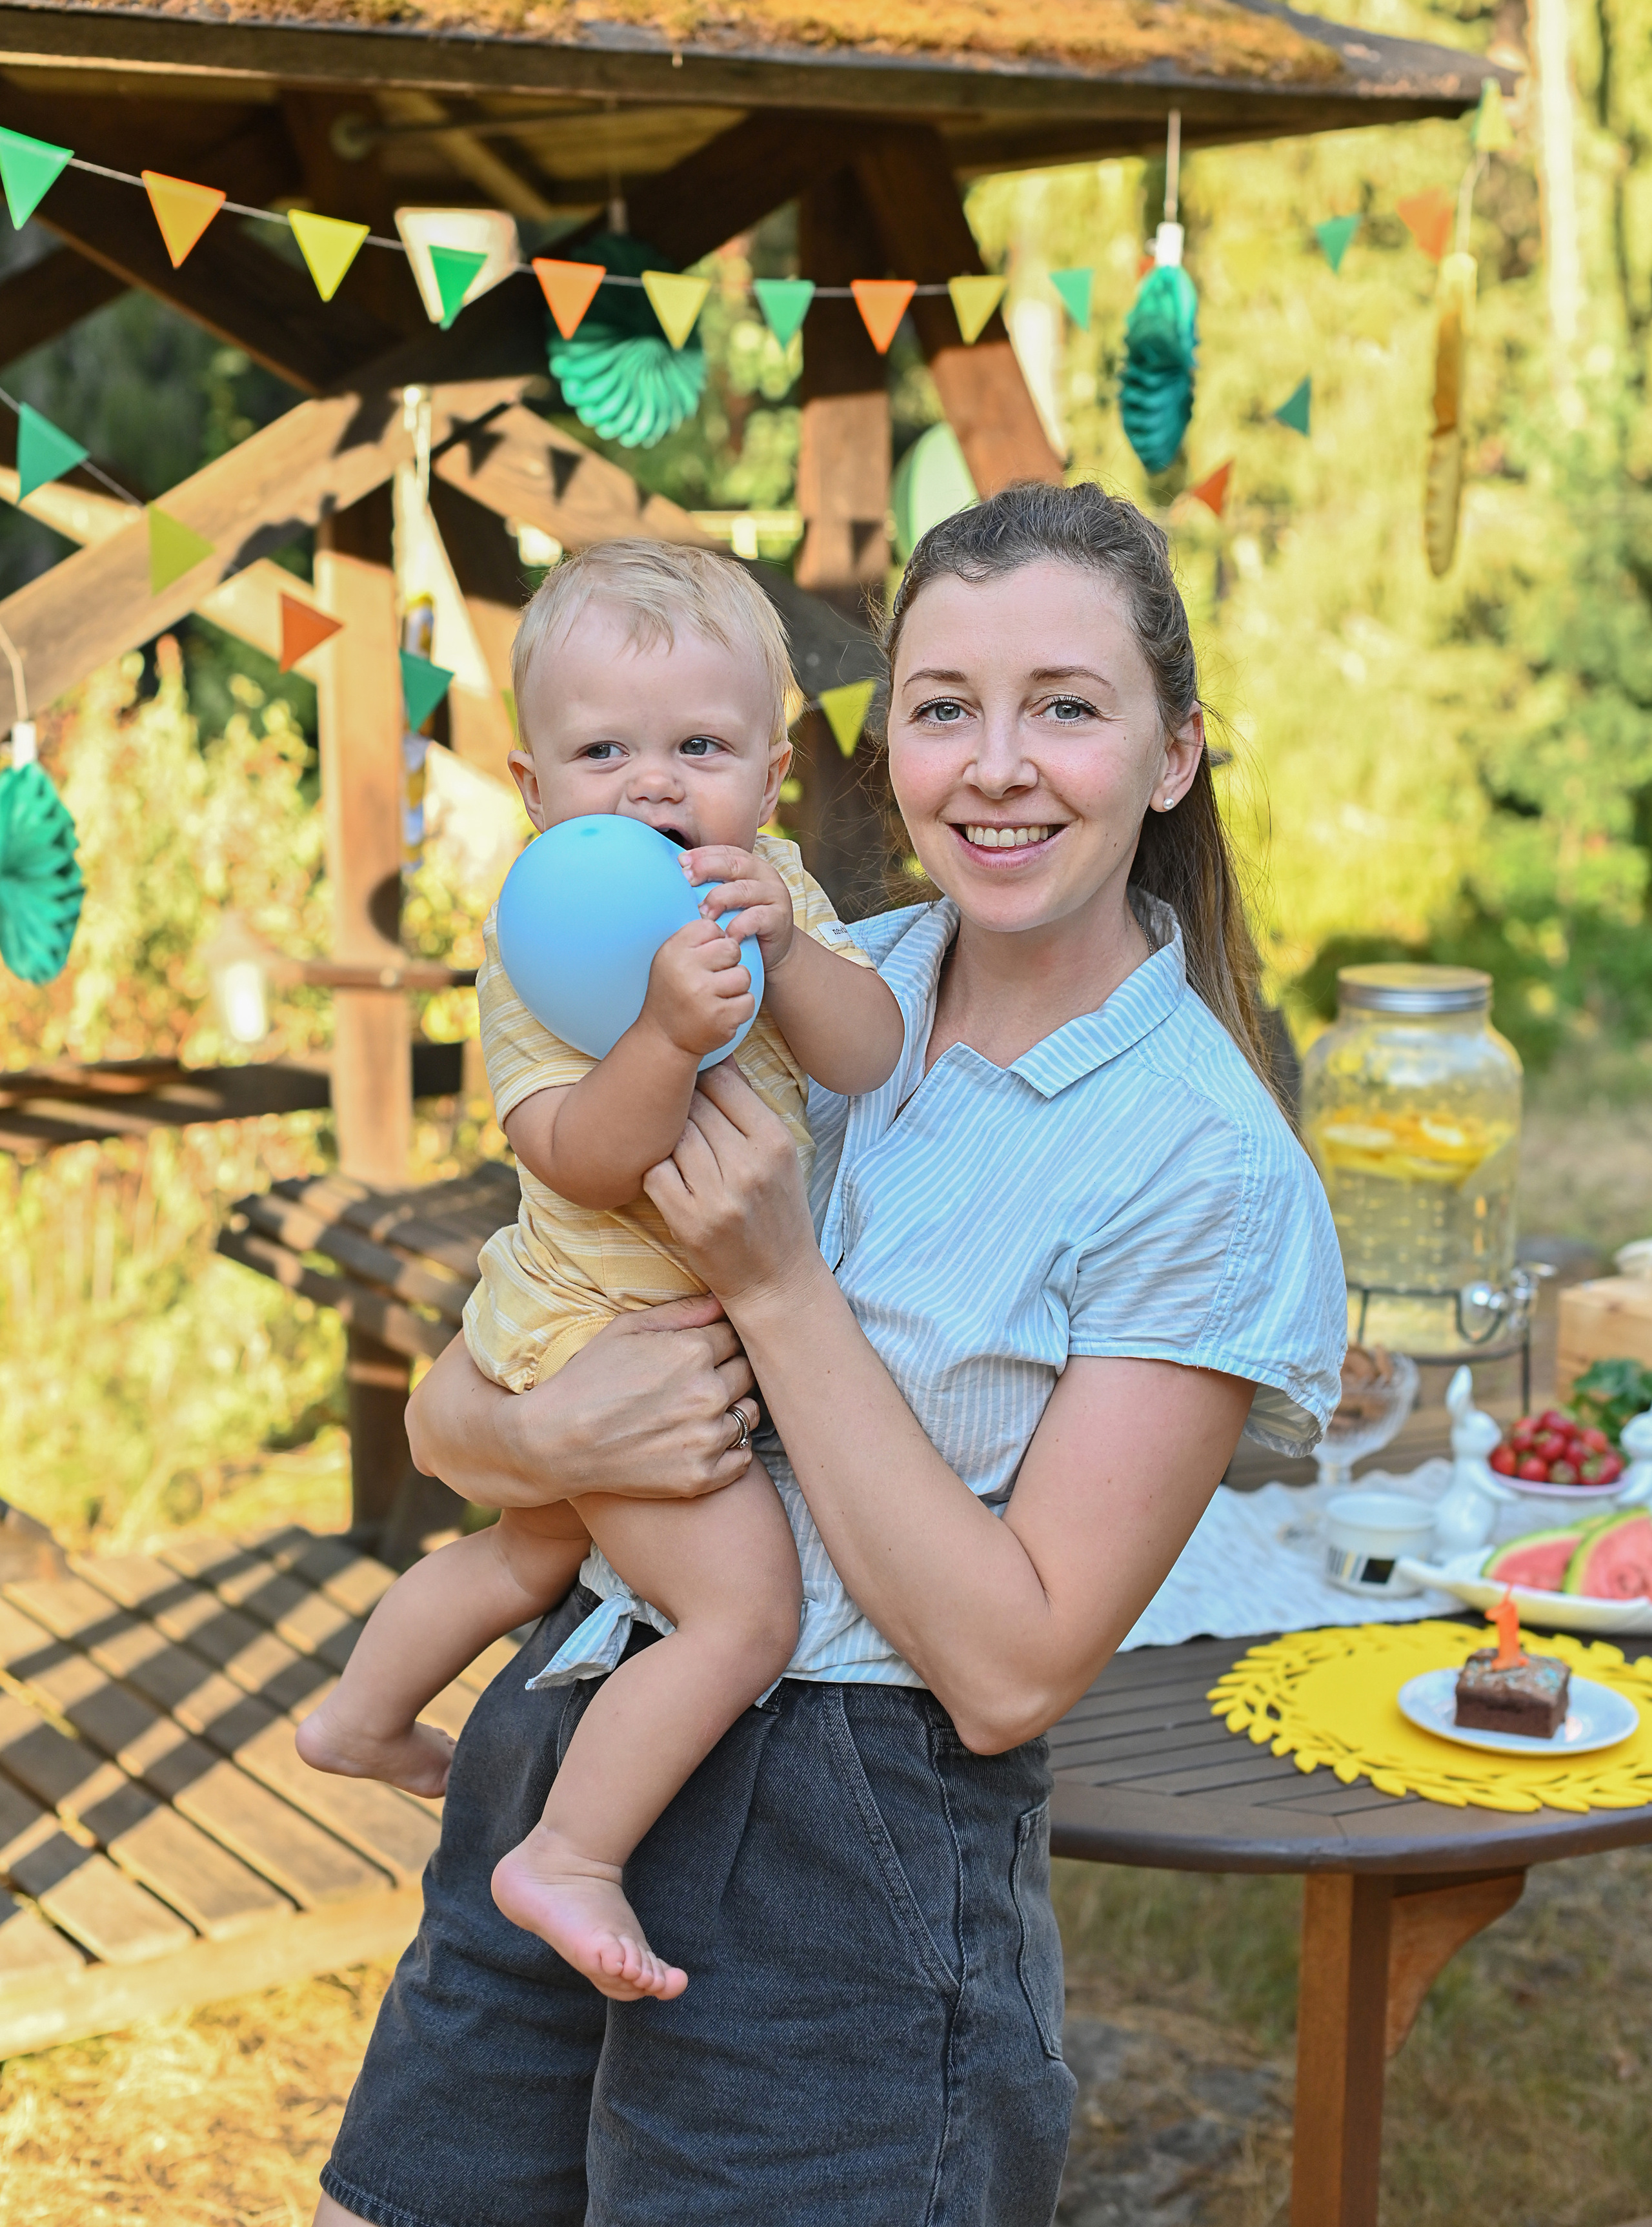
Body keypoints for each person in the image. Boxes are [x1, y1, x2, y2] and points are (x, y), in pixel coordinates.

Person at [314, 482, 1345, 2227]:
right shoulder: (780, 974)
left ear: (1173, 753)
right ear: (883, 752)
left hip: (842, 1844)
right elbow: (452, 1422)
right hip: (572, 1719)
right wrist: (549, 1436)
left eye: (1064, 707)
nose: (996, 767)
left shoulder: (1206, 1169)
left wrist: (779, 1287)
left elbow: (1010, 1673)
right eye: (944, 707)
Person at [296, 541, 905, 2001]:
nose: (651, 785)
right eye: (604, 752)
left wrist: (790, 957)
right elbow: (574, 1152)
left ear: (771, 776)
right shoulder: (540, 934)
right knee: (743, 1613)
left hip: (650, 1317)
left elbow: (869, 1055)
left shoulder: (773, 889)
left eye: (699, 748)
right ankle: (567, 1854)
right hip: (594, 1331)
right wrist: (663, 1037)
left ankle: (357, 1717)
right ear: (532, 785)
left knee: (528, 1553)